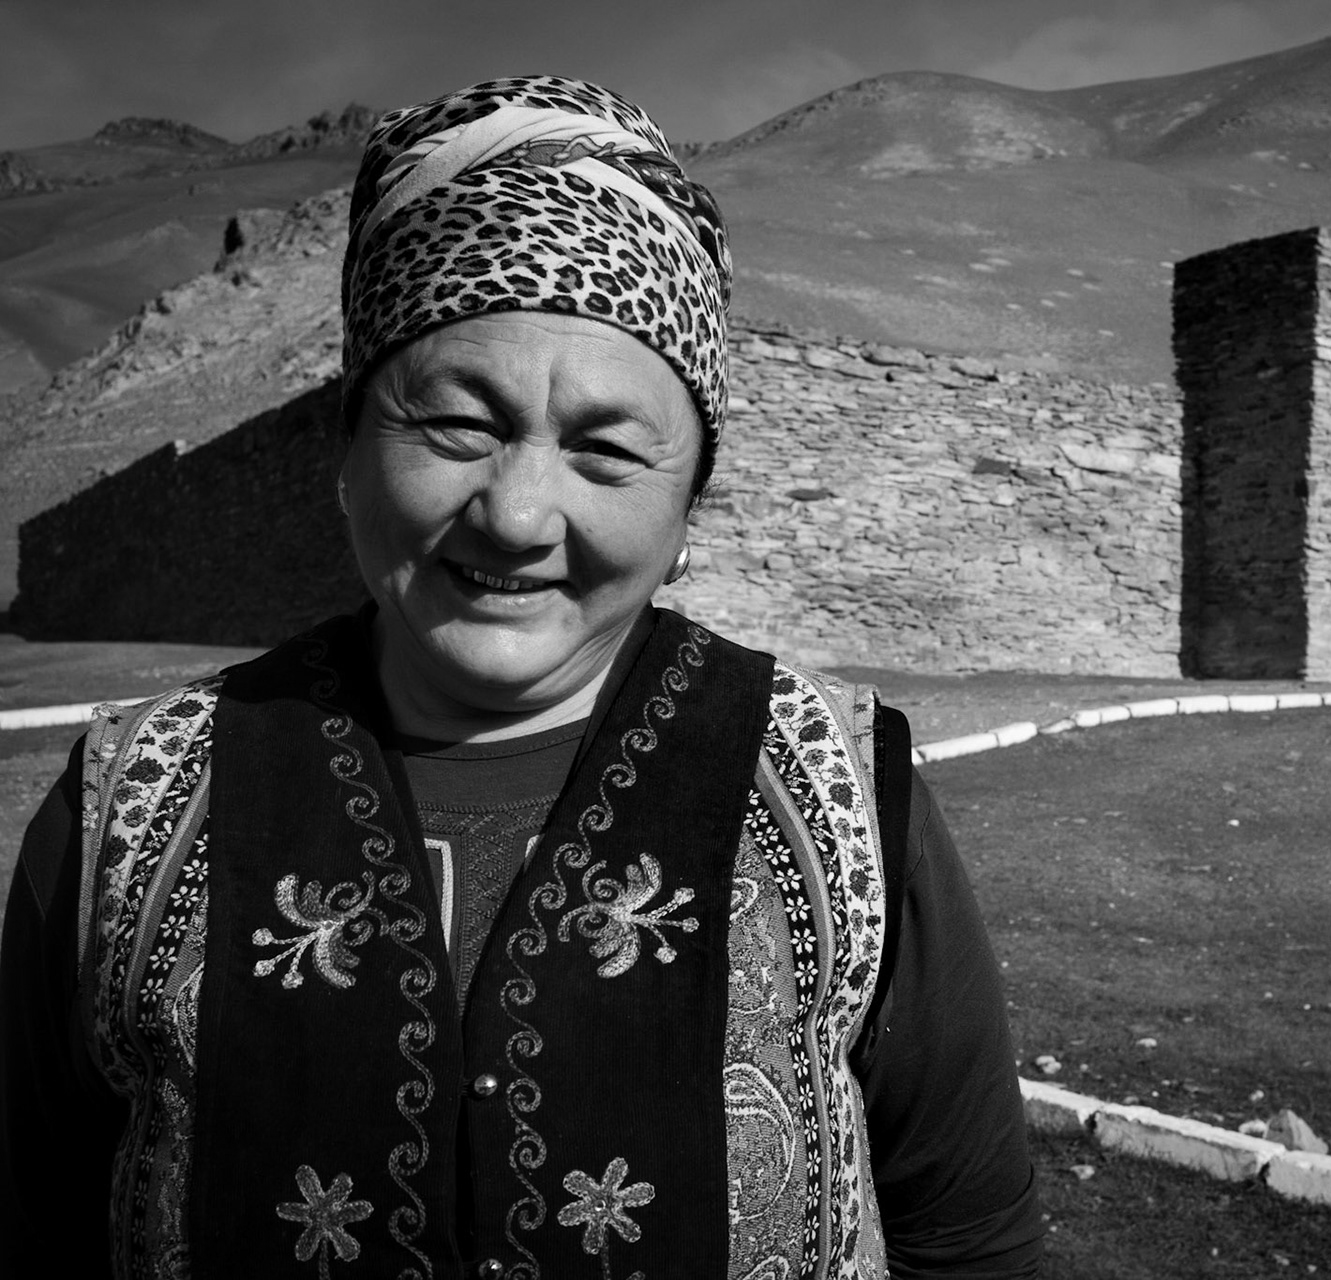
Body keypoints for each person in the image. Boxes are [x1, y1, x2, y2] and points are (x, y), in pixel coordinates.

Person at [0, 76, 1043, 1279]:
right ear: (346, 452)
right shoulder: (123, 809)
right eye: (457, 424)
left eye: (605, 448)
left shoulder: (847, 794)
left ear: (689, 503)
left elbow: (970, 1241)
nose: (518, 512)